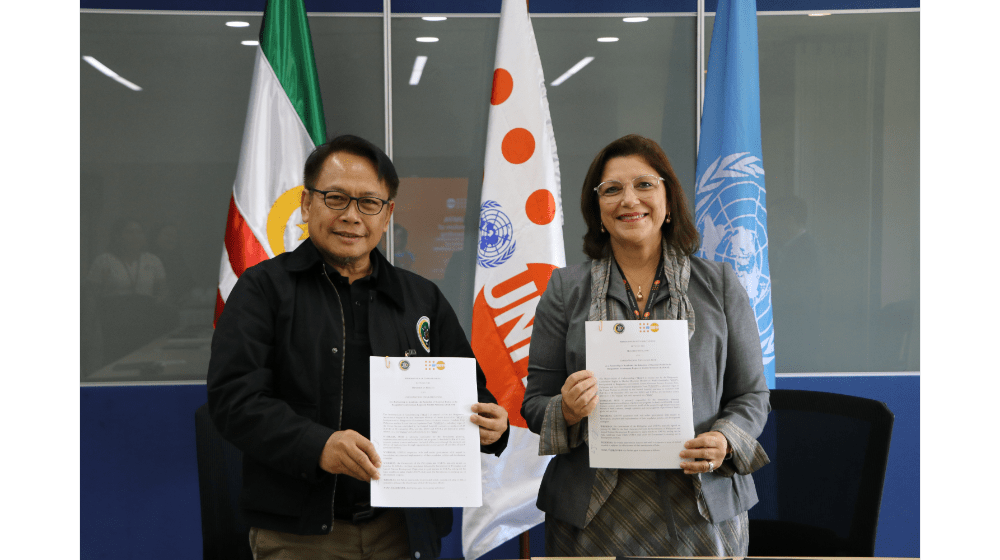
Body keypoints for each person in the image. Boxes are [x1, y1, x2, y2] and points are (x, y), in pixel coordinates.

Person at [208, 135, 510, 560]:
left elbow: (472, 394)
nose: (352, 216)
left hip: (403, 531)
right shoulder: (263, 290)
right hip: (301, 535)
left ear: (387, 216)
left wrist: (493, 426)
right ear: (306, 205)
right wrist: (318, 446)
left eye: (369, 202)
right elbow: (234, 400)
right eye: (336, 198)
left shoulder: (422, 299)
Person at [521, 134, 770, 557]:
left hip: (699, 506)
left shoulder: (721, 285)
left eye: (644, 185)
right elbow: (535, 402)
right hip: (593, 514)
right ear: (597, 210)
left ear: (668, 201)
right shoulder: (565, 289)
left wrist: (725, 439)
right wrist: (564, 409)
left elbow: (751, 395)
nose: (628, 199)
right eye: (612, 189)